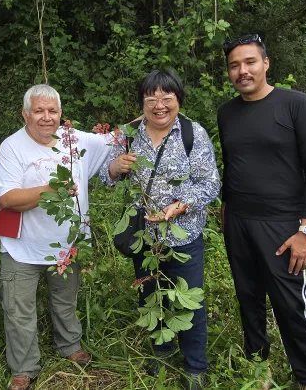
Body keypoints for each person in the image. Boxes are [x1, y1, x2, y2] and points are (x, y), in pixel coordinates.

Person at [217, 34, 306, 390]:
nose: (242, 71)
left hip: (283, 225)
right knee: (248, 298)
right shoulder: (227, 112)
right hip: (237, 221)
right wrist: (225, 210)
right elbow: (232, 164)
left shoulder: (296, 104)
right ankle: (257, 368)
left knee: (292, 306)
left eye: (250, 62)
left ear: (266, 63)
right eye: (235, 65)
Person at [101, 70, 221, 390]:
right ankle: (162, 351)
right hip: (145, 237)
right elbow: (107, 177)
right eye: (151, 98)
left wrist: (180, 206)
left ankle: (195, 367)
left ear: (178, 100)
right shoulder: (127, 134)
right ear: (142, 101)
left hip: (184, 235)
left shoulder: (192, 134)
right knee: (151, 296)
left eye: (167, 98)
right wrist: (115, 168)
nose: (159, 105)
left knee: (188, 302)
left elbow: (211, 184)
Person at [0, 84, 114, 390]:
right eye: (39, 111)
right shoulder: (12, 147)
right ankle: (23, 368)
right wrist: (51, 190)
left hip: (66, 245)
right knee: (19, 309)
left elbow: (117, 138)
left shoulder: (75, 140)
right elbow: (6, 199)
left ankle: (70, 347)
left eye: (53, 111)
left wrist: (156, 108)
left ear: (61, 113)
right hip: (22, 245)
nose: (46, 117)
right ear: (25, 114)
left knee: (65, 300)